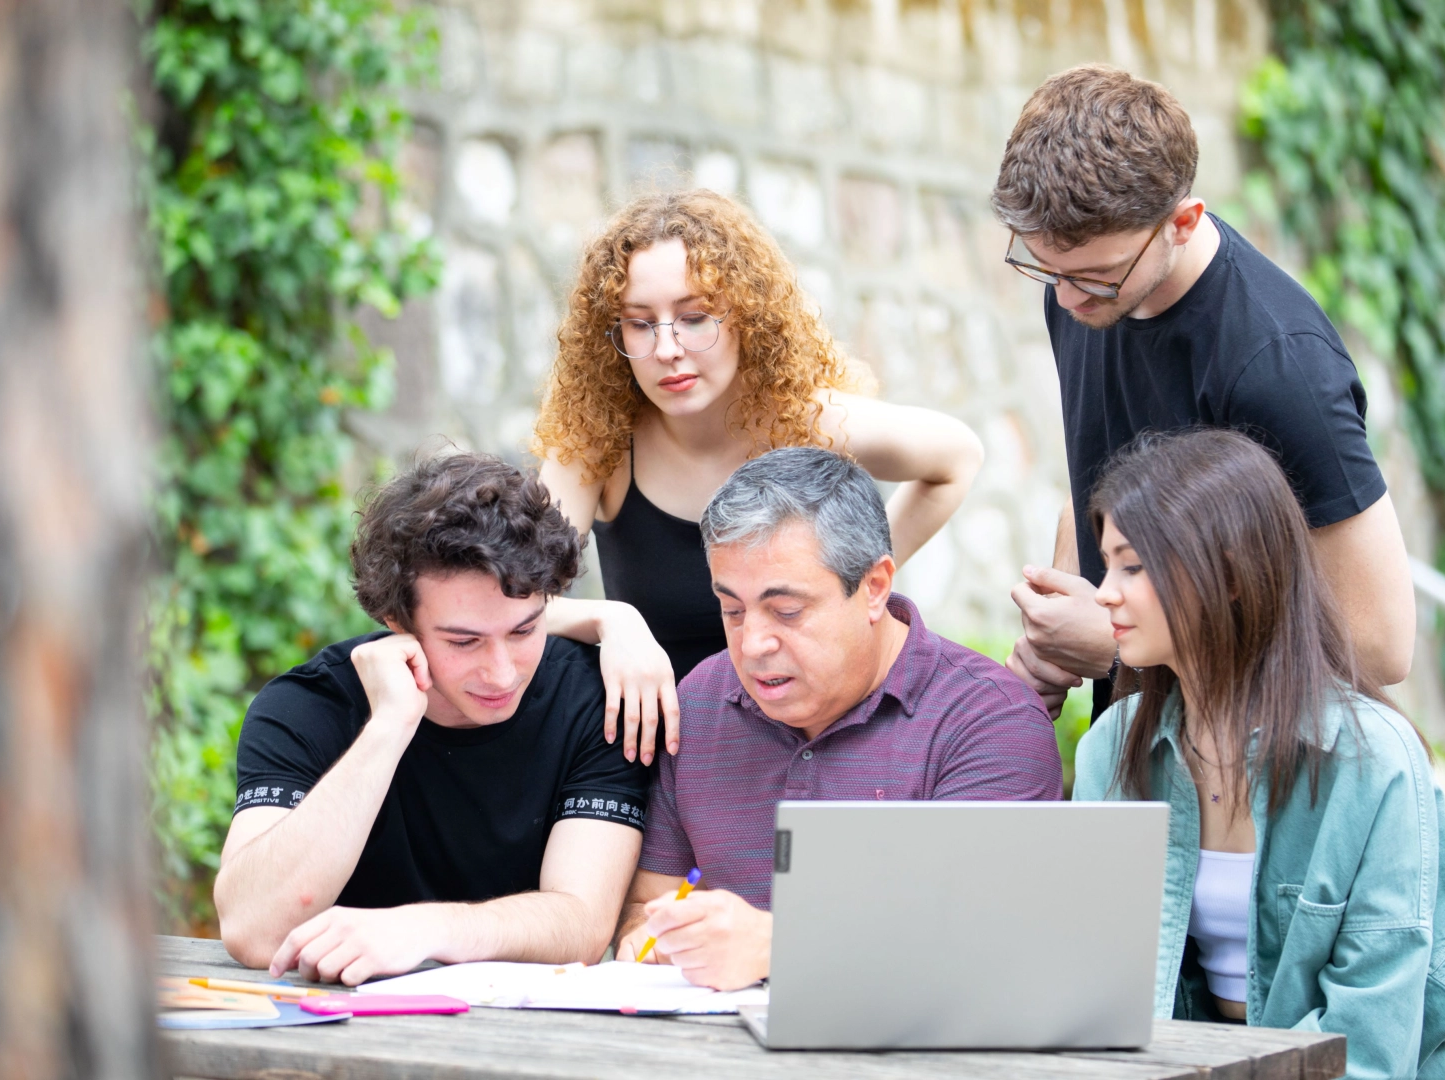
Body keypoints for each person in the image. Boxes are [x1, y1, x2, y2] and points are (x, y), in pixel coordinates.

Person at [1073, 429, 1445, 1077]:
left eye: (1132, 566)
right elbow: (1093, 976)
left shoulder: (1371, 760)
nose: (1104, 592)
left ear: (1227, 574)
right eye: (1106, 564)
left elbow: (1369, 1037)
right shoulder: (1113, 745)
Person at [989, 65, 1414, 719]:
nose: (1068, 298)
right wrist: (1056, 633)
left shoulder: (1276, 366)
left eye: (1097, 276)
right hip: (1136, 746)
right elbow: (1101, 468)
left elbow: (1379, 643)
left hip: (1258, 771)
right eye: (1048, 270)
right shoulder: (1080, 290)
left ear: (1182, 222)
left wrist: (1114, 640)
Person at [533, 189, 986, 765]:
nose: (668, 348)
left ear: (746, 314)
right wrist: (608, 620)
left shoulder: (805, 420)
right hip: (665, 758)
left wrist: (854, 579)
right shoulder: (597, 443)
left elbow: (957, 457)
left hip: (810, 746)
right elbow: (513, 600)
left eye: (695, 318)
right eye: (639, 325)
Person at [613, 448, 1063, 990]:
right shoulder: (703, 700)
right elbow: (649, 905)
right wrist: (656, 940)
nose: (753, 644)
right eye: (731, 610)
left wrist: (778, 947)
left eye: (787, 611)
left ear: (874, 588)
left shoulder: (989, 720)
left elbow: (985, 942)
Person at [213, 454, 650, 985]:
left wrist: (426, 930)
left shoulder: (595, 700)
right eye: (464, 641)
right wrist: (388, 728)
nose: (503, 672)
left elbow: (582, 923)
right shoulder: (305, 707)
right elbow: (252, 930)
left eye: (525, 630)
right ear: (396, 620)